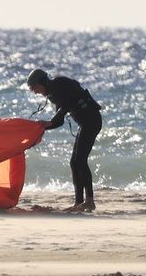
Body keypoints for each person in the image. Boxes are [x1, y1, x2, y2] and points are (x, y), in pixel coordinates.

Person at [26, 67, 101, 213]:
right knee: (74, 162)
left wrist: (51, 121)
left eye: (35, 88)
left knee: (80, 160)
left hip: (92, 121)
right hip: (85, 124)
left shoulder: (59, 84)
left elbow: (65, 107)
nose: (35, 92)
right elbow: (59, 121)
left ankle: (89, 201)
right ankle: (79, 202)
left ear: (42, 82)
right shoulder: (53, 94)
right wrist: (42, 127)